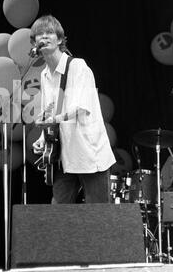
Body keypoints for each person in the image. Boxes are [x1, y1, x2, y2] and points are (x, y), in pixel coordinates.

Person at [31, 14, 116, 204]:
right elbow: (50, 113)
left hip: (89, 155)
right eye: (39, 34)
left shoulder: (78, 66)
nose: (44, 37)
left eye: (49, 33)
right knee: (59, 216)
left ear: (60, 39)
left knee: (98, 216)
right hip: (64, 157)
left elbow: (81, 108)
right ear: (34, 42)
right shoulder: (45, 75)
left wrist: (54, 119)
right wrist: (42, 137)